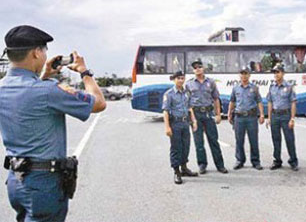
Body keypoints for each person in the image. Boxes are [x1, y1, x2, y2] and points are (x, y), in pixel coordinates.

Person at [0, 25, 106, 222]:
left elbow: (28, 96)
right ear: (36, 53)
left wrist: (44, 75)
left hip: (16, 181)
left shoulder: (3, 87)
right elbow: (99, 103)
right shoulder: (48, 91)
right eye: (44, 50)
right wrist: (84, 72)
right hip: (43, 183)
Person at [185, 60, 228, 174]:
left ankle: (220, 165)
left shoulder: (211, 82)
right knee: (199, 142)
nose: (197, 69)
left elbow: (216, 99)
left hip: (208, 114)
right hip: (196, 114)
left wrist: (218, 114)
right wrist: (191, 118)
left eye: (199, 66)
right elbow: (187, 102)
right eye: (195, 67)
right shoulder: (189, 84)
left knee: (213, 140)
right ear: (193, 70)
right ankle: (202, 164)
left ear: (203, 68)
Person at [162, 71, 198, 185]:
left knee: (186, 147)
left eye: (182, 78)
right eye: (178, 78)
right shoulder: (169, 94)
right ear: (174, 80)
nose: (181, 80)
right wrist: (167, 127)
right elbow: (166, 111)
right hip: (175, 124)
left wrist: (194, 121)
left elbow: (189, 108)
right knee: (176, 148)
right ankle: (176, 171)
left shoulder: (186, 93)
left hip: (185, 123)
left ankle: (184, 168)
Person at [228, 67, 265, 170]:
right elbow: (232, 101)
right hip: (239, 117)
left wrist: (262, 114)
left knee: (253, 140)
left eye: (246, 74)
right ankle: (240, 160)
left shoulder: (254, 88)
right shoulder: (235, 88)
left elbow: (259, 101)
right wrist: (229, 113)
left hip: (251, 117)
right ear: (239, 75)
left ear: (249, 75)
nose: (244, 76)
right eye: (242, 74)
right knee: (239, 140)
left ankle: (255, 161)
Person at [266, 64, 298, 171]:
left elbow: (293, 103)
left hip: (286, 115)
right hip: (275, 115)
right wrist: (269, 118)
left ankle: (293, 161)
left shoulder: (288, 87)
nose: (276, 74)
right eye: (274, 72)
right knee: (276, 139)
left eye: (278, 72)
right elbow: (270, 103)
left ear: (283, 73)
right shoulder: (272, 87)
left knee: (289, 139)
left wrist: (292, 118)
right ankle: (277, 161)